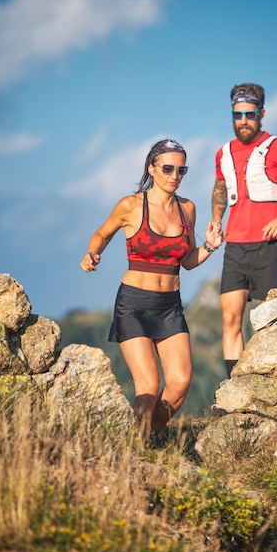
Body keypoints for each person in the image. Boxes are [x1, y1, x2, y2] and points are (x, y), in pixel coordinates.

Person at [81, 139, 223, 443]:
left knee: (180, 383)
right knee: (147, 387)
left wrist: (210, 246)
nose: (175, 175)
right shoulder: (131, 205)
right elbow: (102, 234)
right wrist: (93, 253)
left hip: (170, 306)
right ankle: (141, 447)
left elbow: (187, 262)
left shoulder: (187, 209)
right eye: (168, 168)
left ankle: (140, 439)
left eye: (181, 169)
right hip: (134, 304)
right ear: (152, 168)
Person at [212, 82, 277, 378]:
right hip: (235, 246)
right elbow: (220, 188)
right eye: (237, 114)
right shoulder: (223, 153)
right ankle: (234, 386)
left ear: (261, 113)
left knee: (269, 321)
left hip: (271, 247)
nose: (243, 120)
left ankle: (268, 382)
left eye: (249, 114)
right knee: (230, 319)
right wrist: (217, 219)